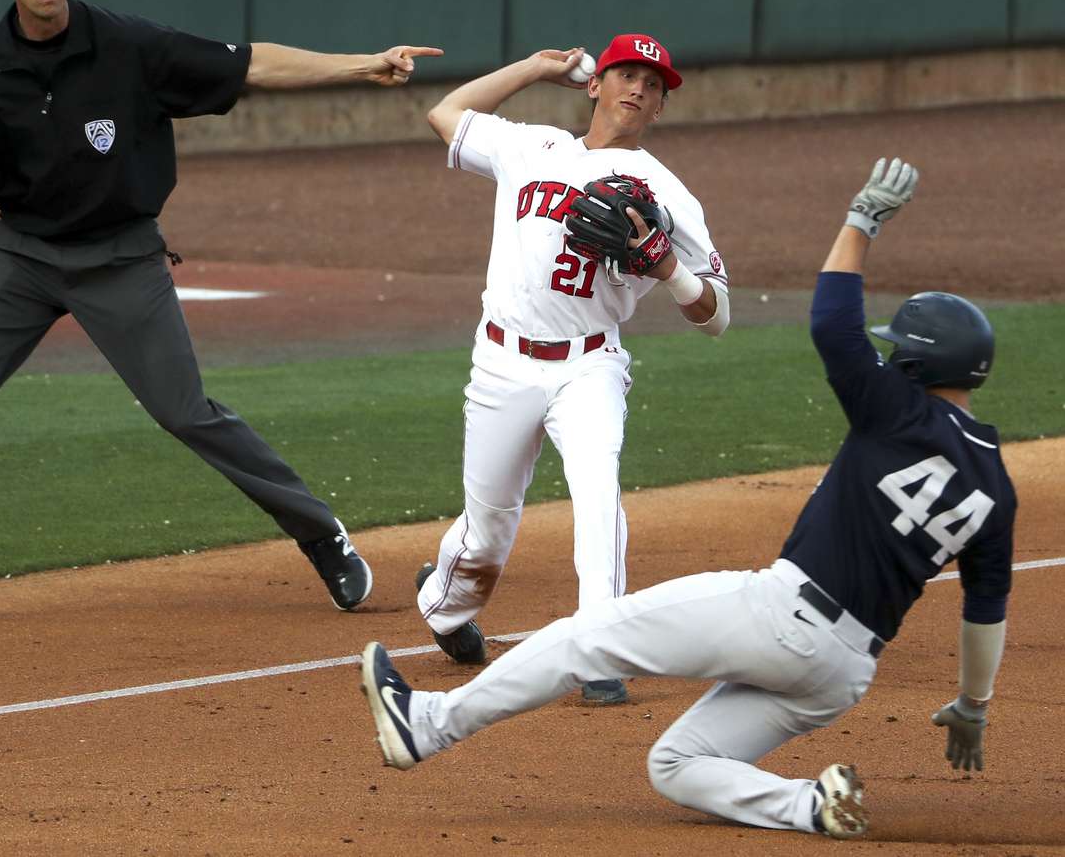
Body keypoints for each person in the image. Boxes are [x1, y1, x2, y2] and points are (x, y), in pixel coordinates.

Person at [361, 157, 1015, 839]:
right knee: (677, 762)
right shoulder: (995, 484)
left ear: (911, 364)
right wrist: (973, 705)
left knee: (589, 637)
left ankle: (428, 726)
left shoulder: (894, 410)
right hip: (843, 675)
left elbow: (833, 324)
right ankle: (808, 805)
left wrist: (861, 221)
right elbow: (986, 610)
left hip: (782, 619)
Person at [0, 0, 443, 624]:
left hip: (120, 256)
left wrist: (362, 64)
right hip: (22, 258)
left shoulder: (127, 44)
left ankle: (321, 536)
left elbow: (252, 63)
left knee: (186, 411)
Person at [416, 34, 729, 704]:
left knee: (597, 493)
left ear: (661, 105)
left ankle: (598, 649)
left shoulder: (671, 196)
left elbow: (716, 313)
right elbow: (445, 112)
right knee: (487, 533)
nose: (639, 88)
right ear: (595, 84)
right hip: (500, 362)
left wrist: (668, 268)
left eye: (654, 82)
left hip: (590, 366)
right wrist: (535, 68)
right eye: (625, 73)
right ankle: (446, 606)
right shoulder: (535, 148)